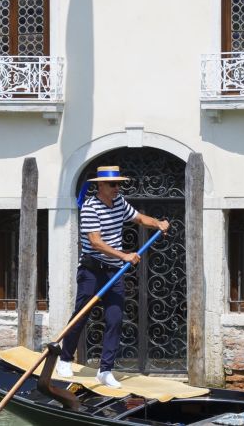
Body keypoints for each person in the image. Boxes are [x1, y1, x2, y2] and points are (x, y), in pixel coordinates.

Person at [56, 164, 170, 389]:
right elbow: (96, 243)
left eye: (119, 184)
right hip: (91, 270)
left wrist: (157, 223)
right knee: (81, 314)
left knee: (115, 319)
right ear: (100, 185)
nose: (117, 188)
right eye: (112, 184)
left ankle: (105, 370)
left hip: (114, 271)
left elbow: (139, 218)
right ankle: (65, 359)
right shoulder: (90, 208)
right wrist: (124, 255)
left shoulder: (119, 202)